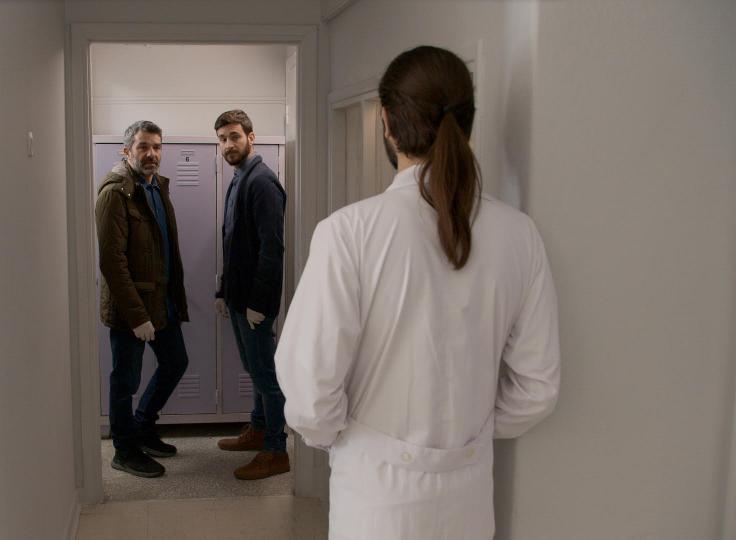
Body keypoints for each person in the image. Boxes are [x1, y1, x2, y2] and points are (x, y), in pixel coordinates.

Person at [275, 46, 561, 539]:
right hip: (469, 501)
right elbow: (537, 389)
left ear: (386, 122)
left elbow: (309, 396)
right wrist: (463, 437)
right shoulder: (519, 234)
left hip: (376, 502)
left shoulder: (349, 232)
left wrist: (359, 440)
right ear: (467, 121)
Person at [94, 120, 190, 479]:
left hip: (161, 302)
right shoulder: (115, 193)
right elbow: (112, 263)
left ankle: (143, 425)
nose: (152, 154)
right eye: (143, 147)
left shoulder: (157, 186)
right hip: (130, 309)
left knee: (175, 362)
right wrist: (137, 317)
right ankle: (124, 449)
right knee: (125, 380)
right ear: (126, 151)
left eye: (157, 147)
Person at [211, 110, 290, 480]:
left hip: (255, 303)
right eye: (222, 139)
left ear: (251, 137)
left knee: (266, 375)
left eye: (234, 136)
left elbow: (271, 249)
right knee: (255, 370)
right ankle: (258, 429)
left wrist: (259, 303)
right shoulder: (239, 178)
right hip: (239, 297)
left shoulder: (262, 182)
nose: (228, 144)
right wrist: (223, 290)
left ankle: (276, 450)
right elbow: (233, 241)